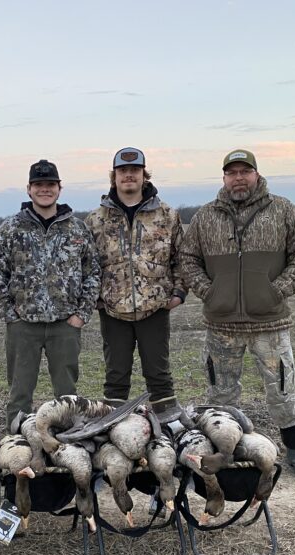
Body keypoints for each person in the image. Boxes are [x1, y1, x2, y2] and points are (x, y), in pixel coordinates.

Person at [179, 149, 295, 479]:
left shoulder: (282, 210)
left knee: (283, 389)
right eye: (232, 172)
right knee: (220, 395)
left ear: (256, 175)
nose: (238, 178)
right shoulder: (205, 216)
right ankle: (223, 452)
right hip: (222, 324)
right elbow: (188, 259)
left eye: (245, 171)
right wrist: (210, 292)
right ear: (224, 178)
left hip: (268, 323)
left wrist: (277, 290)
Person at [0, 159, 100, 429]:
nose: (45, 190)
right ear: (29, 189)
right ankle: (17, 448)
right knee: (19, 393)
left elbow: (93, 272)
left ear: (59, 188)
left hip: (65, 324)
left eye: (50, 184)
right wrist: (10, 315)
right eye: (39, 185)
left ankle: (67, 444)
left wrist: (81, 315)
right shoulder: (11, 229)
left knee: (66, 394)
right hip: (23, 325)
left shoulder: (77, 229)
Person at [85, 147, 188, 424]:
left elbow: (182, 257)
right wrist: (95, 298)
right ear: (114, 177)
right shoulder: (96, 219)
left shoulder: (167, 215)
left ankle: (170, 430)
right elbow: (87, 263)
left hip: (154, 308)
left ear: (144, 175)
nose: (128, 175)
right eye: (122, 171)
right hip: (113, 311)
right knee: (115, 377)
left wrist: (178, 293)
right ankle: (113, 430)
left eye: (135, 171)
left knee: (159, 375)